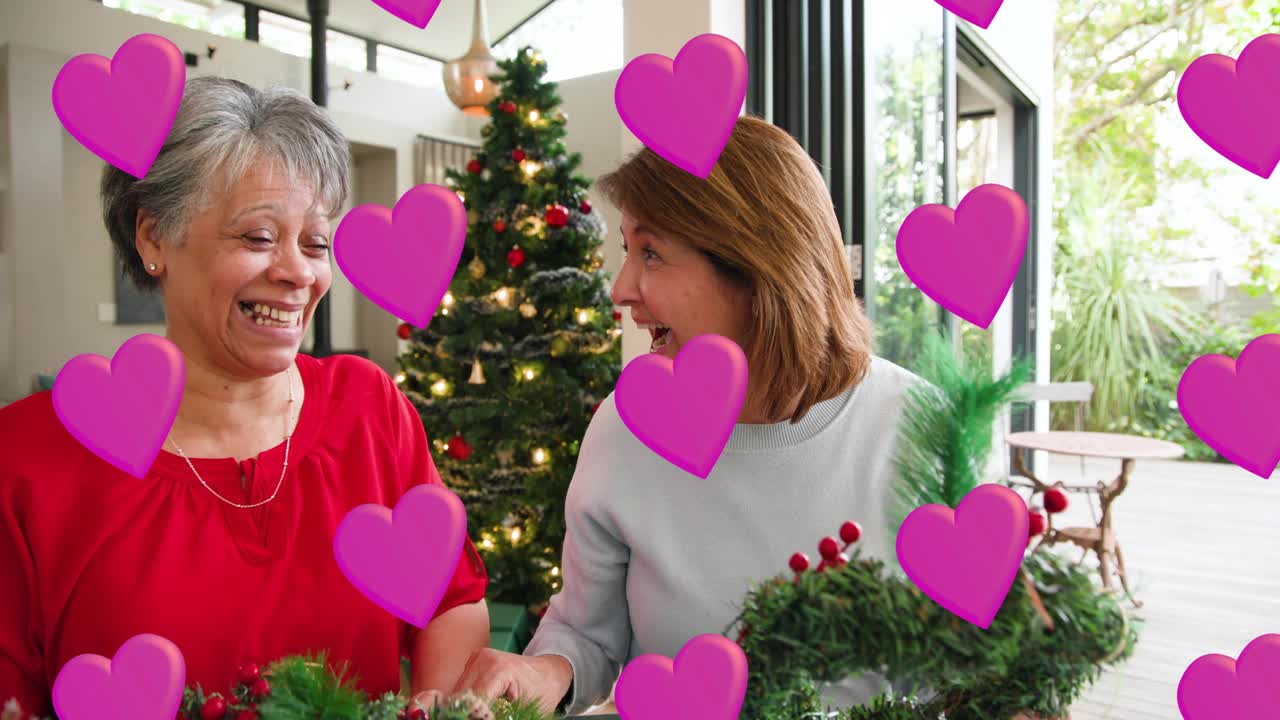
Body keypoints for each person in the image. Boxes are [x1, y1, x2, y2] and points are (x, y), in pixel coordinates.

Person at [0, 77, 488, 716]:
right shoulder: (27, 455)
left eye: (315, 243)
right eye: (258, 237)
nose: (298, 272)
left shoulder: (368, 407)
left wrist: (438, 702)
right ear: (153, 238)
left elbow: (450, 603)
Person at [451, 115, 923, 714]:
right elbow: (588, 634)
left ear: (758, 268)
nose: (620, 289)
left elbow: (994, 663)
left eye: (651, 253)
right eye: (628, 251)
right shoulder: (624, 430)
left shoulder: (917, 427)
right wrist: (545, 671)